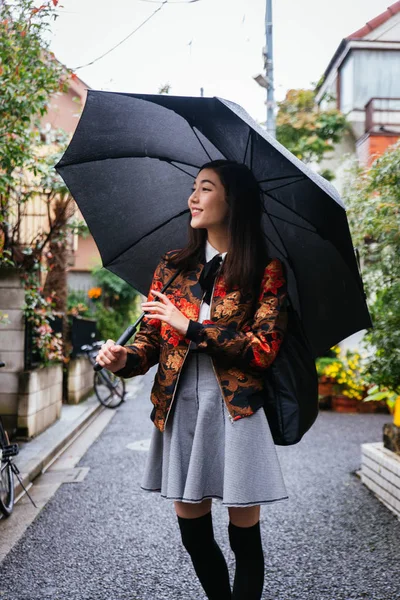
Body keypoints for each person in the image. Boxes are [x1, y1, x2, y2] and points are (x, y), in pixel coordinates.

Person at [96, 159, 289, 600]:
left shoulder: (265, 270)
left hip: (235, 408)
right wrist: (122, 357)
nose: (193, 198)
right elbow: (149, 342)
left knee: (244, 537)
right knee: (193, 532)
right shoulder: (172, 266)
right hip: (180, 403)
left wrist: (192, 328)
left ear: (233, 200)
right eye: (193, 188)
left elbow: (263, 348)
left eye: (205, 188)